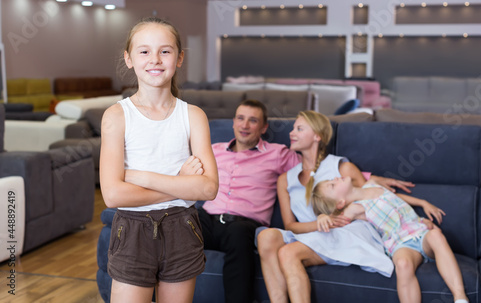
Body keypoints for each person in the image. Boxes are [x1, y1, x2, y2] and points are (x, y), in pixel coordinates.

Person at [99, 17, 218, 303]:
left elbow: (208, 189)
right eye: (144, 51)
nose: (155, 59)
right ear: (128, 59)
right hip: (131, 230)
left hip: (182, 227)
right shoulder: (116, 116)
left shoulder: (193, 116)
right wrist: (181, 183)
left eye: (165, 51)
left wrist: (141, 177)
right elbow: (113, 195)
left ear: (179, 58)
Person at [257, 110, 415, 303]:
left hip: (345, 230)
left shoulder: (340, 168)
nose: (291, 133)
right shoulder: (285, 180)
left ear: (317, 136)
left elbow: (371, 195)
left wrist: (416, 206)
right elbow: (290, 225)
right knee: (265, 236)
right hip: (311, 233)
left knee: (288, 252)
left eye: (299, 128)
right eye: (292, 128)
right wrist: (320, 222)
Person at [197, 99, 302, 303]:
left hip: (243, 224)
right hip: (207, 219)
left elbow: (315, 171)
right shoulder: (214, 150)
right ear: (234, 122)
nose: (245, 126)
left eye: (252, 121)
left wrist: (366, 178)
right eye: (240, 119)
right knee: (178, 224)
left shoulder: (278, 154)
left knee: (238, 233)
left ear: (263, 128)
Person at [311, 177, 469, 303]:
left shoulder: (372, 184)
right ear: (340, 203)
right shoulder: (354, 209)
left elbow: (396, 197)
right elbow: (334, 221)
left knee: (436, 235)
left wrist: (423, 202)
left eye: (332, 179)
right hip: (400, 244)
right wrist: (323, 216)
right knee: (402, 264)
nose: (336, 178)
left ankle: (460, 297)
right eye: (332, 185)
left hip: (420, 232)